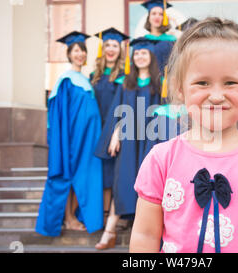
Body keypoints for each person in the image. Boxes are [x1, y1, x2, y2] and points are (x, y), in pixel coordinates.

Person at [130, 17, 238, 253]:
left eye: (231, 82)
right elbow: (145, 236)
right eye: (202, 82)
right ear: (179, 88)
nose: (217, 95)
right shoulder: (161, 159)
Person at [94, 37, 166, 250]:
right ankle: (109, 231)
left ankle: (152, 235)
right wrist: (115, 133)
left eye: (144, 53)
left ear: (151, 56)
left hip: (151, 140)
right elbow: (117, 109)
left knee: (150, 184)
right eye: (136, 53)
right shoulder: (127, 83)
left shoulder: (160, 83)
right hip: (129, 140)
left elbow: (166, 111)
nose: (140, 56)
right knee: (122, 180)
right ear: (132, 58)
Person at [35, 31, 103, 236]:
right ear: (69, 54)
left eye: (82, 50)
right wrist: (66, 141)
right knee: (68, 175)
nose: (80, 54)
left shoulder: (85, 79)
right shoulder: (65, 80)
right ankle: (69, 219)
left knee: (81, 176)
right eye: (75, 51)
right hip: (73, 140)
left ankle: (73, 215)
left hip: (87, 140)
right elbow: (62, 116)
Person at [90, 27, 129, 223]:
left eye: (115, 45)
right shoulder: (94, 76)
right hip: (97, 129)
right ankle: (104, 214)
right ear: (103, 49)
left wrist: (118, 129)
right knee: (103, 173)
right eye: (108, 45)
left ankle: (116, 215)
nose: (111, 49)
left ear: (120, 50)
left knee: (116, 172)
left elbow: (125, 105)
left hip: (116, 129)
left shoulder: (124, 75)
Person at [141, 0, 177, 73]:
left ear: (165, 18)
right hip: (149, 82)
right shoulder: (142, 42)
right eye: (154, 13)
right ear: (149, 17)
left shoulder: (172, 40)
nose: (157, 16)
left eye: (161, 14)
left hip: (167, 81)